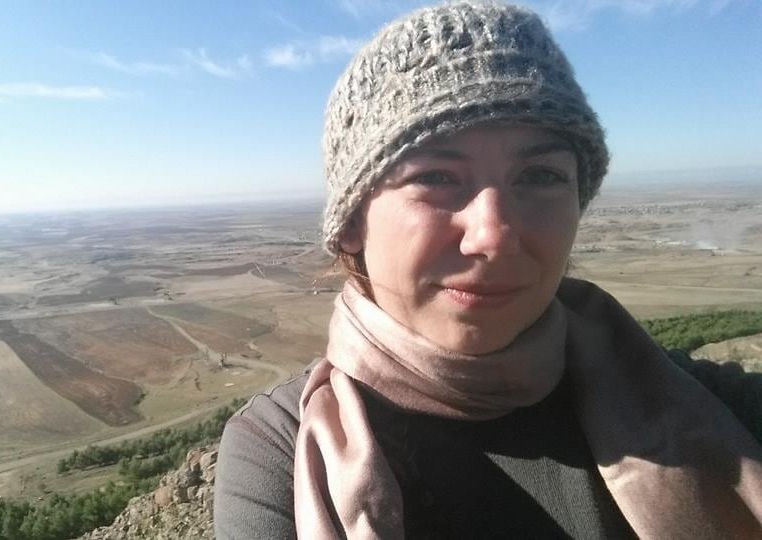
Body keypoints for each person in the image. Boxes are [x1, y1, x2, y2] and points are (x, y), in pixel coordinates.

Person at [214, 2, 762, 538]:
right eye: (436, 177)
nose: (493, 236)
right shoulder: (281, 450)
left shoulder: (712, 408)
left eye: (541, 176)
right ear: (353, 222)